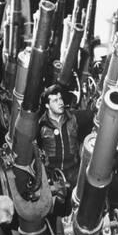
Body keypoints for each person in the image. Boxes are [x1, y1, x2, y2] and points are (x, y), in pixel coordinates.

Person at [38, 84, 93, 214]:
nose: (60, 102)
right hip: (53, 175)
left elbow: (93, 116)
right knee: (57, 211)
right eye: (55, 100)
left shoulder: (74, 118)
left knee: (80, 206)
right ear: (47, 105)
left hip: (74, 172)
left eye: (61, 99)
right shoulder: (40, 125)